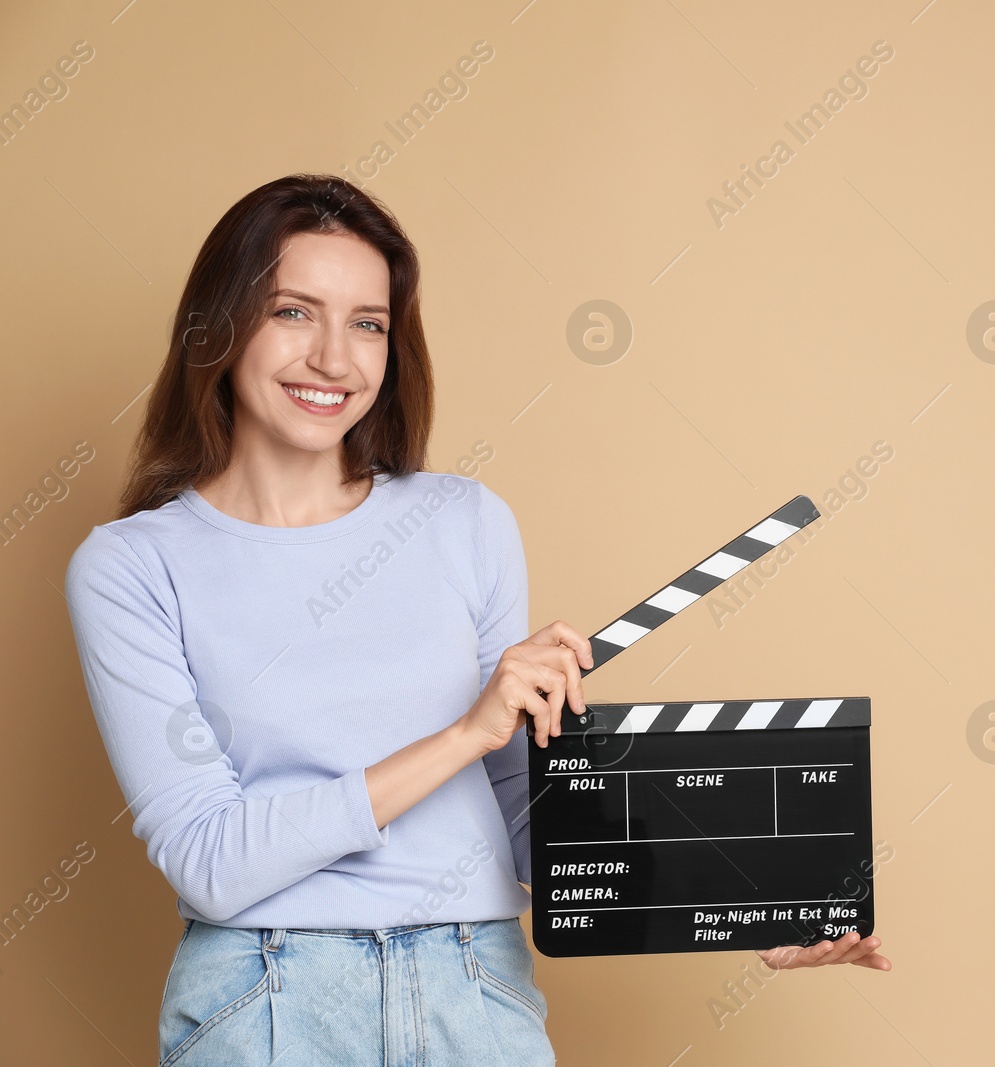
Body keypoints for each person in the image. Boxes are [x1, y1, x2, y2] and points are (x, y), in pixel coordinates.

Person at [63, 174, 889, 1066]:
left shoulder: (463, 521)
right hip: (266, 1000)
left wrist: (745, 905)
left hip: (474, 992)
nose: (334, 359)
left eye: (368, 323)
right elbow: (211, 863)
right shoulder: (133, 567)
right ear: (220, 326)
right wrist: (462, 733)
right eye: (294, 312)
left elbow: (516, 810)